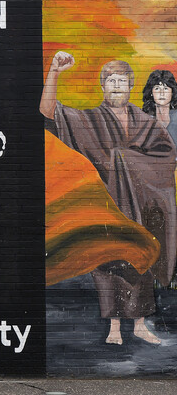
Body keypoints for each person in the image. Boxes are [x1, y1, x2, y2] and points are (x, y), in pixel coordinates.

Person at [40, 51, 177, 345]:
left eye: (122, 81)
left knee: (141, 259)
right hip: (108, 207)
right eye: (110, 80)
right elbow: (49, 112)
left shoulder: (147, 123)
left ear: (130, 86)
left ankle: (140, 325)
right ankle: (114, 328)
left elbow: (166, 157)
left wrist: (124, 161)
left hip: (140, 208)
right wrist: (54, 72)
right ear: (103, 87)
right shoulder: (89, 121)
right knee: (109, 263)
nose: (116, 86)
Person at [142, 70, 177, 145]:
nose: (162, 93)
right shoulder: (145, 121)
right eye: (157, 88)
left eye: (166, 89)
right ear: (151, 93)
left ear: (172, 92)